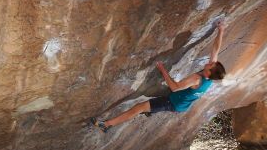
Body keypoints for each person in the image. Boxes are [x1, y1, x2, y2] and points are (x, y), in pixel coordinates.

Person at [91, 21, 226, 132]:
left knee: (139, 107)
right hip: (182, 104)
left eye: (210, 65)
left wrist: (163, 70)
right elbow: (216, 50)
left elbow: (174, 87)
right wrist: (221, 30)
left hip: (172, 102)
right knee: (150, 103)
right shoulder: (211, 77)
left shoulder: (196, 79)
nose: (209, 63)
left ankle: (107, 125)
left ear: (209, 72)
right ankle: (150, 111)